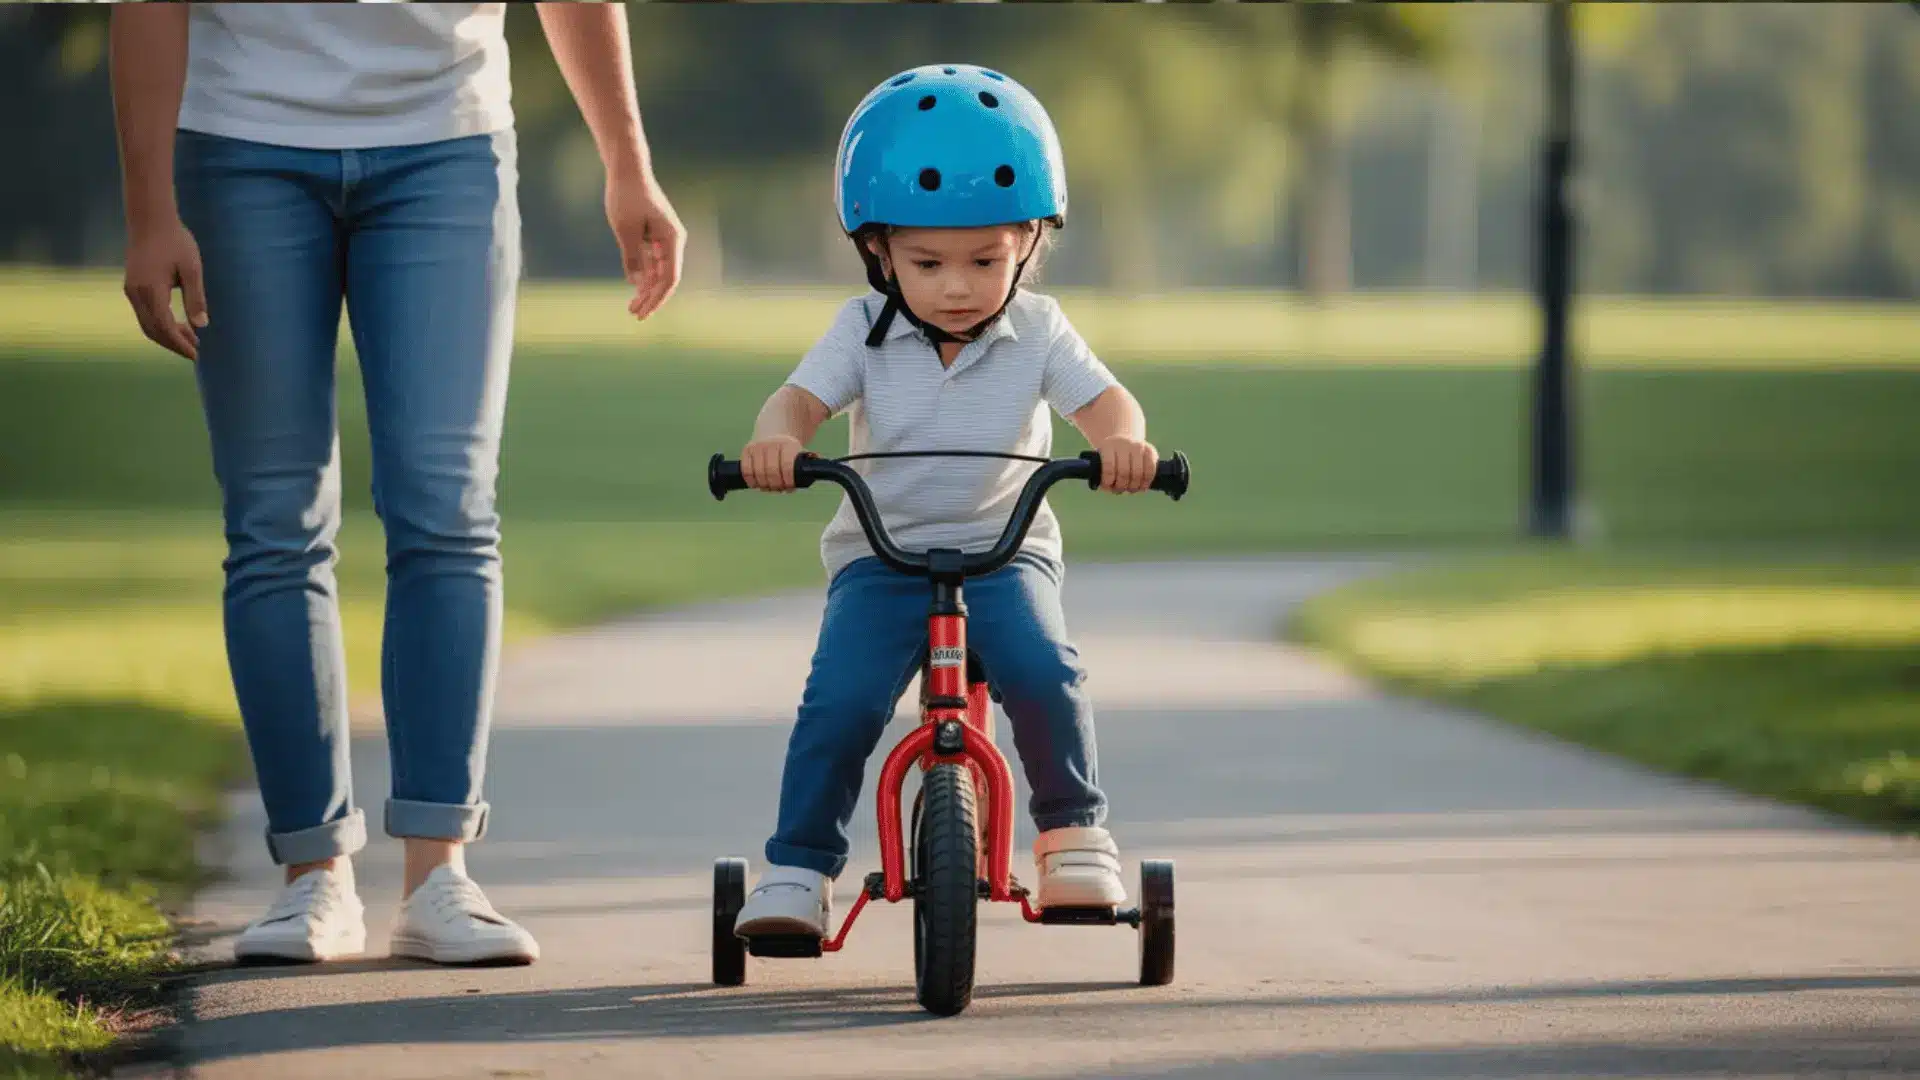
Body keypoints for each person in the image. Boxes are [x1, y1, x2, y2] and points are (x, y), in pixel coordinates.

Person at [108, 2, 686, 966]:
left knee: (448, 509)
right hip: (241, 140)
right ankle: (312, 878)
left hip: (447, 142)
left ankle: (440, 874)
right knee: (274, 522)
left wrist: (627, 161)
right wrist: (148, 211)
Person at [729, 63, 1159, 938]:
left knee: (1046, 673)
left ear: (1030, 244)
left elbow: (1108, 404)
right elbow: (798, 402)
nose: (958, 285)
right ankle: (798, 870)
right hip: (882, 559)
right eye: (928, 262)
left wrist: (1121, 442)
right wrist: (779, 439)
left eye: (986, 259)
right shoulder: (861, 329)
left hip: (1007, 554)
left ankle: (1072, 835)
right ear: (878, 250)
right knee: (840, 704)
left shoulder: (1040, 330)